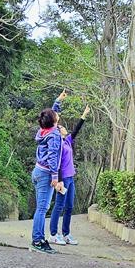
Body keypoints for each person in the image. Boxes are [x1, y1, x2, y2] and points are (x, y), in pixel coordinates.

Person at [49, 91, 90, 246]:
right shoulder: (58, 143)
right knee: (59, 205)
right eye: (62, 127)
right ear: (58, 131)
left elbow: (77, 129)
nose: (64, 128)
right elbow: (56, 163)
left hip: (70, 177)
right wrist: (58, 180)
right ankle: (53, 234)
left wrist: (84, 115)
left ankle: (66, 234)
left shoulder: (68, 140)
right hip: (62, 178)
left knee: (69, 206)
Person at [30, 106, 64, 254]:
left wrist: (57, 102)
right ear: (54, 121)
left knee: (41, 208)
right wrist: (55, 177)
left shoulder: (43, 131)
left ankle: (39, 238)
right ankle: (37, 240)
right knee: (42, 209)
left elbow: (49, 115)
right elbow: (53, 156)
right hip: (45, 175)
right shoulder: (54, 135)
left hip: (37, 171)